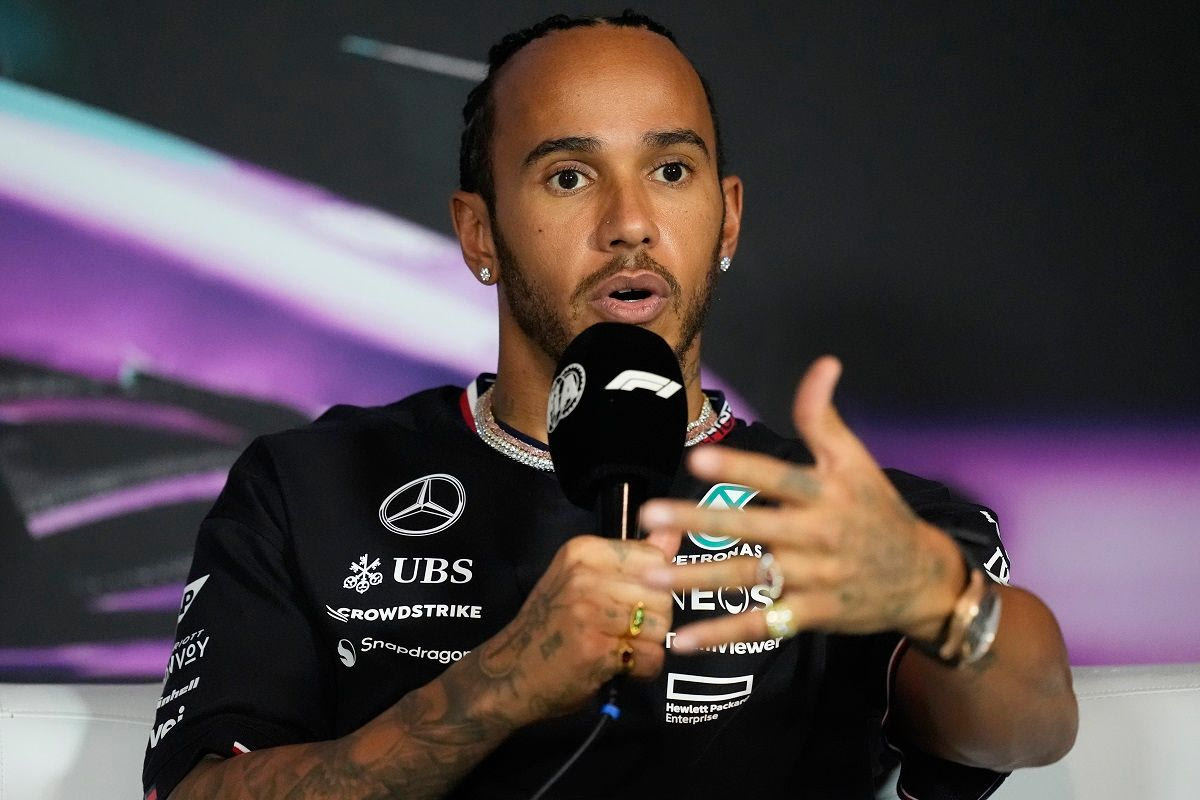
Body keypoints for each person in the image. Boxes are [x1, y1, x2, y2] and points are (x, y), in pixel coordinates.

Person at [143, 11, 1077, 799]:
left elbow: (1031, 726)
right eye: (569, 175)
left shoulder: (848, 518)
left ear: (729, 218)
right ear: (479, 233)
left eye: (671, 171)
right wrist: (495, 687)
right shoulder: (309, 488)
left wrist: (942, 599)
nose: (630, 224)